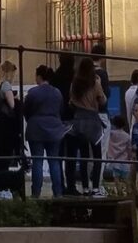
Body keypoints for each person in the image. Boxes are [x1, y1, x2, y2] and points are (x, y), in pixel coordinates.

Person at [22, 65, 66, 198]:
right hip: (54, 130)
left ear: (39, 76)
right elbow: (61, 110)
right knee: (54, 161)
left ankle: (36, 192)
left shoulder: (33, 92)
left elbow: (26, 110)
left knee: (37, 161)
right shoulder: (57, 92)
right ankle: (58, 192)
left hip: (36, 130)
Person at [65, 56, 106, 195]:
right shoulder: (95, 83)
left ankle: (84, 187)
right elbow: (102, 101)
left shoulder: (75, 83)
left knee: (83, 155)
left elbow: (71, 102)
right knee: (97, 156)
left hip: (78, 120)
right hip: (92, 120)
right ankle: (95, 187)